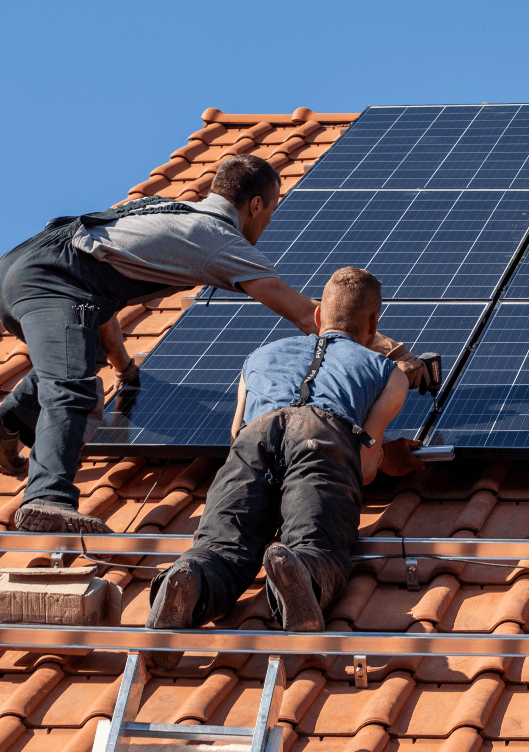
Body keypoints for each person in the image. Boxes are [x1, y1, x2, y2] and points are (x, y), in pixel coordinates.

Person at [0, 157, 430, 534]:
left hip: (23, 267)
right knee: (75, 391)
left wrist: (125, 370)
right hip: (53, 280)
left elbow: (100, 307)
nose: (269, 221)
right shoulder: (214, 238)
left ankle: (6, 426)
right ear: (256, 205)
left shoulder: (168, 213)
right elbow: (309, 315)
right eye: (272, 208)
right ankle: (47, 500)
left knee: (78, 354)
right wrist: (394, 353)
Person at [146, 267, 425, 667]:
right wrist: (385, 460)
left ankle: (192, 578)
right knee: (318, 542)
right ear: (374, 324)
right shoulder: (388, 373)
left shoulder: (258, 357)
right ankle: (301, 571)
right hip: (324, 434)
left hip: (254, 437)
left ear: (316, 318)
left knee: (221, 547)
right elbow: (363, 466)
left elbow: (235, 438)